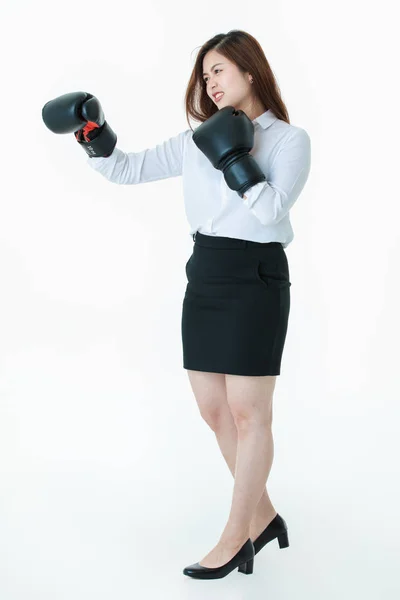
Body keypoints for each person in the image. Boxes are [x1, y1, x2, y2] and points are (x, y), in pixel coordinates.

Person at [42, 28, 311, 580]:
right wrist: (93, 133)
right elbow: (128, 168)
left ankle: (236, 538)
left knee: (248, 412)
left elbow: (273, 215)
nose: (210, 83)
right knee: (214, 411)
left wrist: (236, 160)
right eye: (205, 74)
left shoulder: (289, 140)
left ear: (250, 71)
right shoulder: (196, 140)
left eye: (220, 70)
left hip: (256, 275)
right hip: (206, 274)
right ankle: (264, 518)